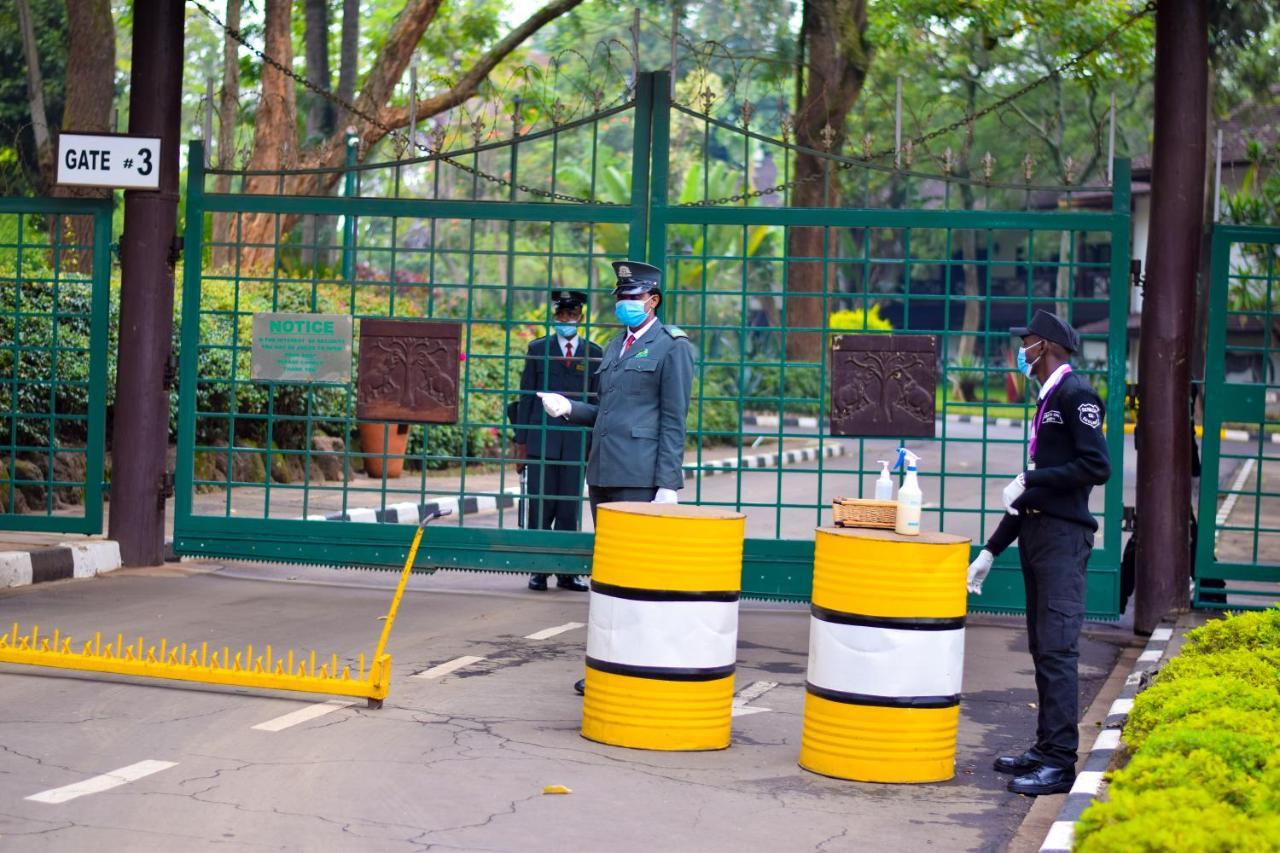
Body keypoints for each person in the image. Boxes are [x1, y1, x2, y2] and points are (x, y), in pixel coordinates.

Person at [967, 309, 1110, 797]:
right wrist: (991, 549)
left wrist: (1034, 478)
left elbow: (1096, 465)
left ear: (1045, 347)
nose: (1019, 351)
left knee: (1057, 651)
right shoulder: (1047, 400)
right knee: (1041, 649)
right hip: (1037, 536)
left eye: (1025, 343)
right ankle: (1045, 747)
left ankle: (1059, 763)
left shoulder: (1076, 395)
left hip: (1064, 542)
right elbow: (1029, 493)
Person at [536, 260, 696, 694]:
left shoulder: (672, 347)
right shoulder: (613, 346)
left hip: (641, 477)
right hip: (603, 472)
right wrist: (569, 409)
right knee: (608, 578)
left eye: (632, 298)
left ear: (653, 300)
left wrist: (668, 483)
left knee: (638, 578)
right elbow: (608, 412)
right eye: (620, 298)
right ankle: (608, 667)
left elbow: (673, 419)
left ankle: (639, 666)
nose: (624, 304)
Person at [513, 290, 603, 592]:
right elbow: (526, 398)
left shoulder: (594, 353)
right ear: (555, 317)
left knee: (568, 510)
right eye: (562, 315)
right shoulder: (538, 349)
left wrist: (594, 445)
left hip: (577, 444)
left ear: (580, 317)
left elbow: (597, 401)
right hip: (542, 441)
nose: (567, 319)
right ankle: (539, 570)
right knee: (541, 506)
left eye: (572, 314)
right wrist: (521, 442)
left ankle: (567, 573)